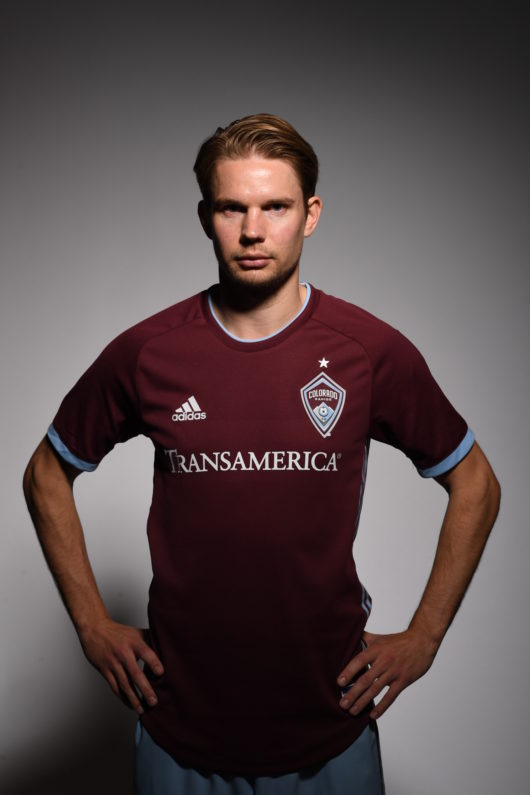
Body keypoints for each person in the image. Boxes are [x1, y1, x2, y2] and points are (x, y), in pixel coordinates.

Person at [23, 114, 500, 794]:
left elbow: (476, 481)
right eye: (231, 207)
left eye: (274, 206)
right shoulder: (150, 352)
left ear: (310, 215)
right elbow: (46, 473)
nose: (252, 230)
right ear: (205, 216)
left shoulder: (369, 351)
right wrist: (92, 623)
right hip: (179, 734)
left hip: (330, 731)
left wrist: (425, 635)